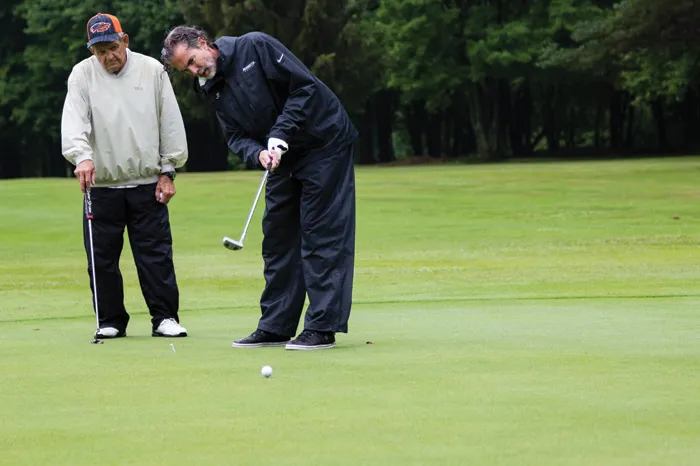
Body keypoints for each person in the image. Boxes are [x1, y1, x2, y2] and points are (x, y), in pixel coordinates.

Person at [161, 26, 357, 350]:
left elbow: (303, 88)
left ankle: (322, 326)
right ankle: (276, 325)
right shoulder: (212, 88)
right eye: (188, 70)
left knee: (321, 233)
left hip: (324, 142)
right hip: (280, 157)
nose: (196, 71)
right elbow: (236, 137)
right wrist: (259, 153)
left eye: (193, 61)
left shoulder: (254, 47)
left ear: (203, 43)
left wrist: (280, 132)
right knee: (278, 236)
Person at [61, 13, 189, 339]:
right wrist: (83, 157)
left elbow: (170, 123)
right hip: (101, 185)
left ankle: (165, 318)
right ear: (92, 51)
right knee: (102, 260)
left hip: (147, 183)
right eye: (100, 51)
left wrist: (168, 170)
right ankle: (111, 321)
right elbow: (74, 124)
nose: (108, 57)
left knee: (155, 256)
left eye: (113, 47)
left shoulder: (152, 70)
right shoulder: (81, 76)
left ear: (125, 40)